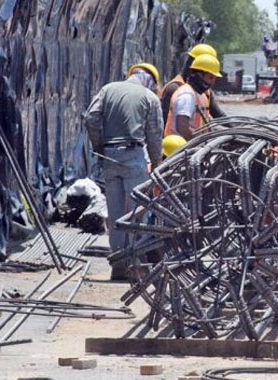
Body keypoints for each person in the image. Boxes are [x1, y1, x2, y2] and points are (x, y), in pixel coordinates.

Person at [84, 63, 163, 280]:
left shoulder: (107, 90)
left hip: (110, 157)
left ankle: (118, 263)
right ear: (151, 81)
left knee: (116, 212)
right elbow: (155, 135)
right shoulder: (150, 97)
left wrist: (99, 146)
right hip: (134, 156)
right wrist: (156, 164)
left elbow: (91, 118)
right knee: (138, 212)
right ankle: (136, 265)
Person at [160, 44, 226, 127]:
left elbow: (220, 117)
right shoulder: (176, 89)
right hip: (177, 139)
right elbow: (165, 121)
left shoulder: (205, 92)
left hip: (198, 138)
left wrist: (241, 128)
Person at [165, 54, 223, 140]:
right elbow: (182, 128)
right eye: (210, 78)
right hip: (180, 148)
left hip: (194, 147)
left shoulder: (201, 96)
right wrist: (202, 140)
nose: (212, 82)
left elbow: (207, 122)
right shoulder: (186, 95)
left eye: (214, 79)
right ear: (199, 75)